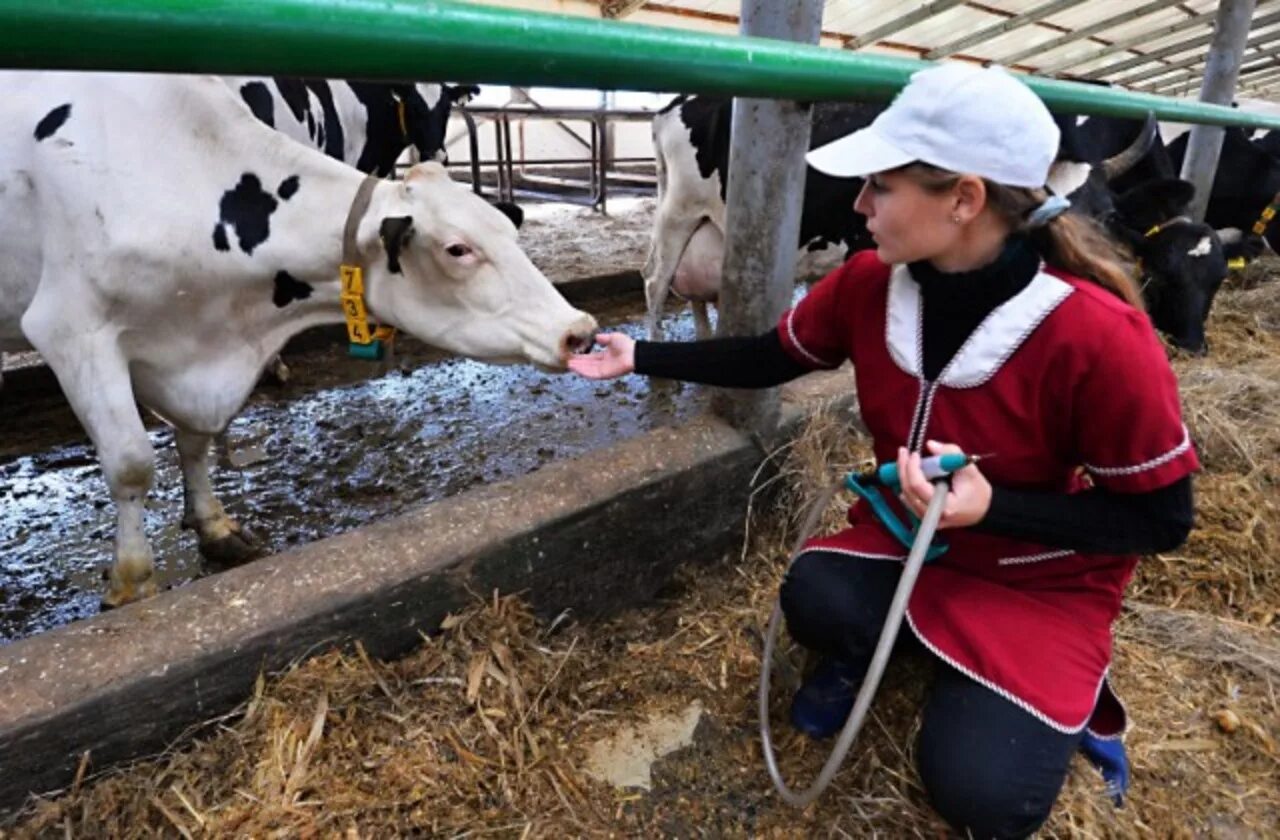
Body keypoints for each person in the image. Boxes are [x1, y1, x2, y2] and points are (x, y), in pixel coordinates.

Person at [570, 62, 1198, 838]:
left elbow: (1162, 520)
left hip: (1037, 582)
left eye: (881, 186)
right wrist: (640, 356)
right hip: (910, 544)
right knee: (812, 594)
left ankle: (1041, 705)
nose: (859, 204)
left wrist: (995, 508)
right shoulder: (870, 283)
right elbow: (771, 358)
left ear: (964, 200)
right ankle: (884, 653)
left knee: (982, 796)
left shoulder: (1099, 334)